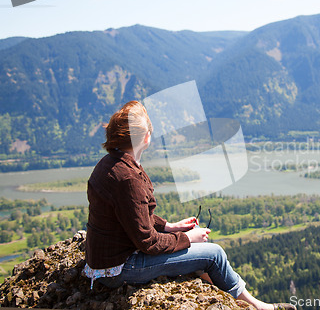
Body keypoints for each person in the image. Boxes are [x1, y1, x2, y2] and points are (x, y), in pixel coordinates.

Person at [84, 101, 295, 310]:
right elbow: (147, 242)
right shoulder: (128, 178)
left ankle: (228, 297)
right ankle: (257, 307)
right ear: (145, 138)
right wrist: (187, 238)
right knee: (215, 255)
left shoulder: (110, 164)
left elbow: (131, 214)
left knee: (199, 251)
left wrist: (170, 227)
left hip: (103, 264)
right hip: (119, 269)